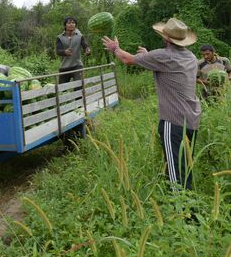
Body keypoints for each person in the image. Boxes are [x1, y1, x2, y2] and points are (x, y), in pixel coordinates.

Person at [102, 18, 201, 191]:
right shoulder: (190, 57)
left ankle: (183, 214)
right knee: (184, 165)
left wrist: (115, 48)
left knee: (176, 172)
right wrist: (147, 55)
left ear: (166, 38)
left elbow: (127, 59)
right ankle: (188, 208)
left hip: (174, 122)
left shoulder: (163, 56)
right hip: (192, 120)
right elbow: (165, 65)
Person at [55, 17, 91, 84]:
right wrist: (64, 52)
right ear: (65, 25)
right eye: (69, 23)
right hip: (64, 67)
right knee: (63, 90)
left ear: (75, 25)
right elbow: (58, 51)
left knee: (78, 87)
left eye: (73, 23)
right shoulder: (60, 37)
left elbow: (85, 46)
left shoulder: (80, 36)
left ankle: (79, 94)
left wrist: (87, 50)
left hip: (77, 66)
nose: (71, 24)